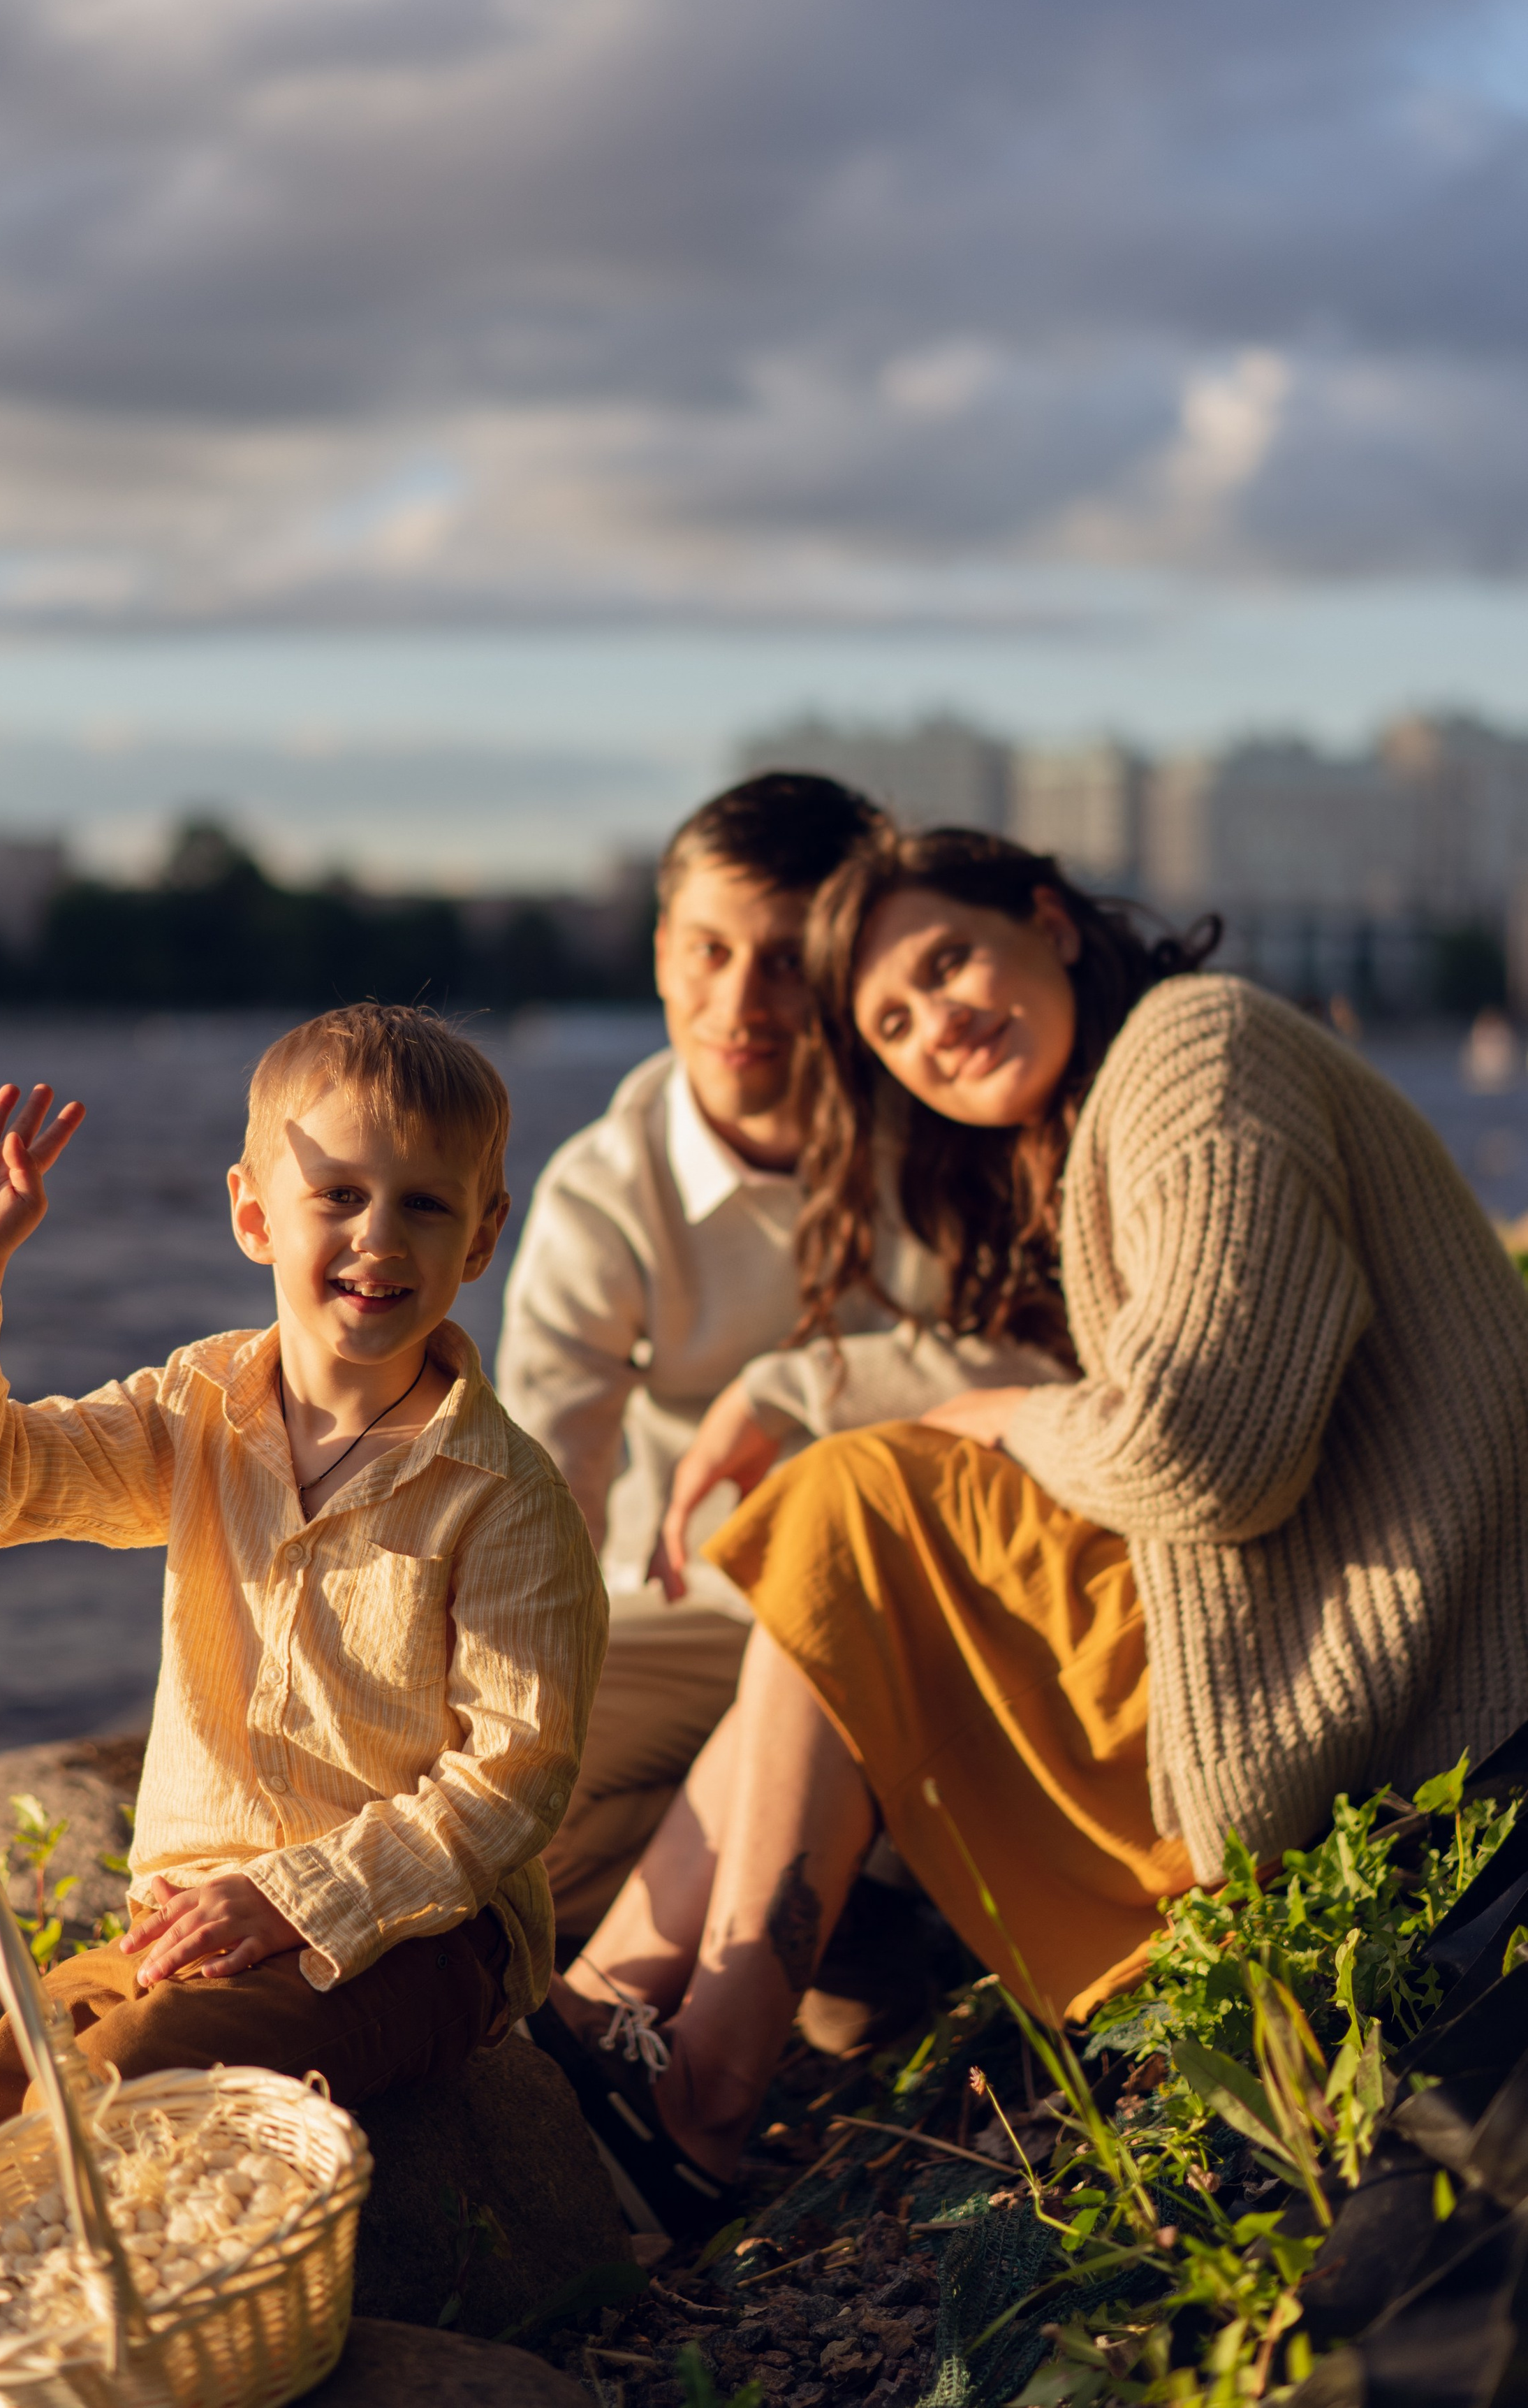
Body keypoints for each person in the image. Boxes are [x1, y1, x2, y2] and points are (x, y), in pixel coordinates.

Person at [530, 825, 1528, 2240]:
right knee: (850, 1523)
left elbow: (1201, 1456)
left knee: (852, 1507)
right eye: (890, 1021)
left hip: (1363, 1687)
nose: (935, 1024)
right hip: (1317, 1640)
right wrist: (822, 1389)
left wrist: (986, 1420)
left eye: (947, 961)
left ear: (1048, 921)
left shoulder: (1199, 1053)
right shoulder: (1111, 1104)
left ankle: (687, 2075)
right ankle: (618, 2019)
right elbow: (1130, 1406)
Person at [0, 1002, 607, 2303]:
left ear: (484, 1234)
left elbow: (513, 1779)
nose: (376, 1238)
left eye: (423, 1205)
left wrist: (292, 1897)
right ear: (254, 1216)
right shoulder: (199, 1412)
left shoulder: (501, 1492)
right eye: (338, 1193)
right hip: (193, 1915)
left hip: (409, 1939)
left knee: (123, 2092)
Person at [497, 775, 1058, 1945]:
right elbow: (547, 1487)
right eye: (709, 950)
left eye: (790, 961)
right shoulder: (604, 1194)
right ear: (660, 953)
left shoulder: (955, 1129)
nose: (740, 1002)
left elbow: (1051, 1378)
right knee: (496, 1810)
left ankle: (806, 1916)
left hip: (932, 1607)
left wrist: (799, 1386)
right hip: (698, 1614)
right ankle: (829, 1918)